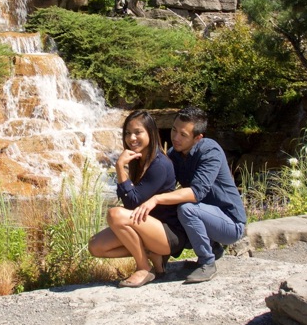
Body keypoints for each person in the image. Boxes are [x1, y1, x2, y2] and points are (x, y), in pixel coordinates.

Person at [132, 107, 246, 283]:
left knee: (186, 208)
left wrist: (155, 199)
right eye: (173, 130)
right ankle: (206, 249)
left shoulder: (210, 151)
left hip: (230, 223)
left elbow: (196, 193)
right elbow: (163, 187)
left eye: (183, 135)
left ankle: (207, 263)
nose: (175, 138)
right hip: (206, 217)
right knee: (168, 206)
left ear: (198, 138)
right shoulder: (174, 155)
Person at [88, 110, 188, 288]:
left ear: (150, 132)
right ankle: (152, 254)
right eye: (127, 133)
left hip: (168, 233)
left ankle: (143, 268)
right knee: (96, 246)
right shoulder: (138, 159)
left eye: (137, 132)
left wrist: (119, 167)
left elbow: (132, 203)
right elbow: (134, 203)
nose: (131, 138)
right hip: (147, 227)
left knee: (115, 215)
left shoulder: (160, 164)